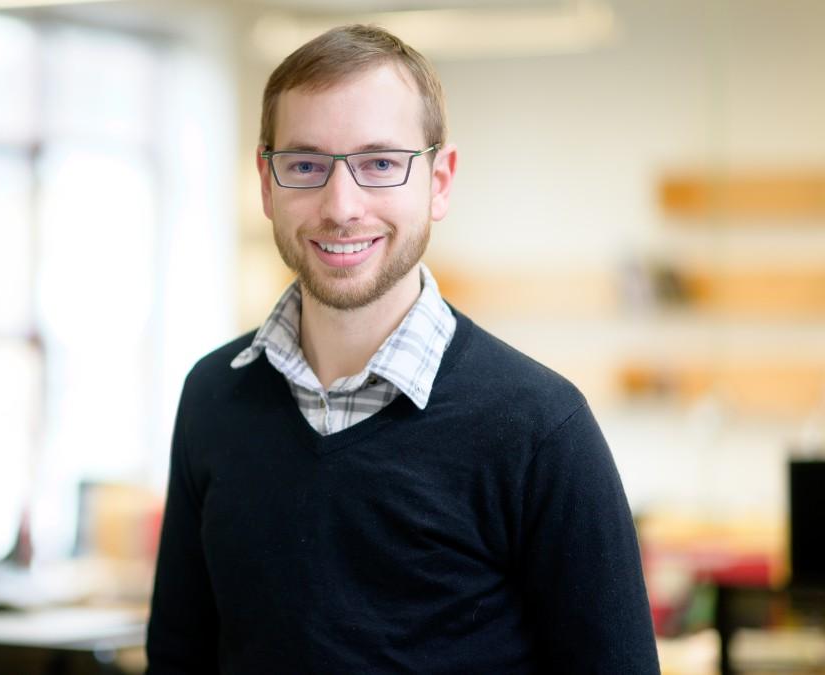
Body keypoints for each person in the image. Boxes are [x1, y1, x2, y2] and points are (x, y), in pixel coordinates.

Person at [146, 24, 659, 674]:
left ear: (439, 180)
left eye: (380, 164)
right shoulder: (214, 395)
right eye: (305, 164)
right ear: (266, 180)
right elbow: (177, 658)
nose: (341, 205)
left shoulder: (539, 427)